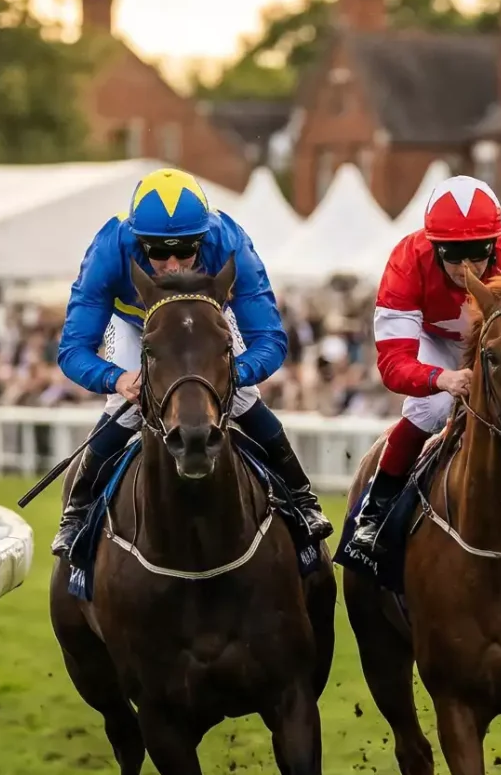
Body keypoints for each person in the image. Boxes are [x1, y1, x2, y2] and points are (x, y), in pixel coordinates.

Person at [49, 168, 327, 557]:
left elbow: (270, 338)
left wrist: (235, 374)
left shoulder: (230, 243)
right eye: (159, 252)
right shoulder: (109, 250)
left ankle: (301, 497)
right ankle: (75, 514)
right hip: (137, 325)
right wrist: (115, 378)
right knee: (125, 407)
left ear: (204, 237)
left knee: (244, 396)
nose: (174, 264)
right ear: (138, 242)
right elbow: (73, 349)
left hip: (205, 319)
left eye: (186, 249)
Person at [336, 175, 501, 575]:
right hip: (434, 344)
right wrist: (444, 378)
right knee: (432, 408)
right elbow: (392, 362)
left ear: (496, 242)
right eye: (452, 255)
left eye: (477, 253)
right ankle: (375, 512)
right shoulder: (406, 262)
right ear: (432, 245)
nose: (465, 266)